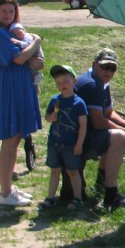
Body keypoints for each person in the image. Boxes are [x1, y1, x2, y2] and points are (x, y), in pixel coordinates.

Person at [0, 0, 43, 207]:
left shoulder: (12, 32)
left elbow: (36, 62)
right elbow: (18, 59)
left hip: (21, 86)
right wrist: (36, 42)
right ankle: (5, 193)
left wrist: (31, 53)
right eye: (3, 10)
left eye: (11, 10)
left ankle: (7, 188)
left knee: (15, 140)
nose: (8, 14)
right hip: (8, 89)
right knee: (9, 142)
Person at [74, 48, 125, 210]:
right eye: (105, 66)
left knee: (117, 133)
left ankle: (101, 183)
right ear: (94, 64)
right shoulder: (90, 85)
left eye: (112, 68)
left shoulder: (102, 83)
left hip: (87, 134)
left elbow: (108, 112)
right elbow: (99, 122)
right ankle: (111, 195)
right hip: (77, 139)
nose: (108, 71)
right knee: (119, 138)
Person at [39, 65, 87, 211]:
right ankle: (50, 197)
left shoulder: (79, 103)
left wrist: (79, 144)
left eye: (66, 81)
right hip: (54, 142)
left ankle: (77, 197)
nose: (63, 85)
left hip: (70, 144)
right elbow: (47, 116)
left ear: (74, 81)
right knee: (54, 170)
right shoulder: (55, 100)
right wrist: (50, 117)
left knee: (73, 171)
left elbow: (83, 126)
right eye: (59, 83)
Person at [9, 22, 45, 87]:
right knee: (29, 66)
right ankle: (35, 76)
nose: (17, 35)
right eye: (15, 34)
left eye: (19, 33)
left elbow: (29, 45)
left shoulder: (28, 36)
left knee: (32, 66)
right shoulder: (21, 38)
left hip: (37, 54)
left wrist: (20, 43)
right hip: (31, 55)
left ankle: (37, 75)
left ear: (24, 31)